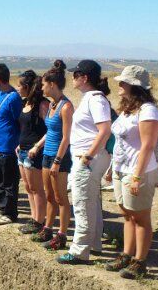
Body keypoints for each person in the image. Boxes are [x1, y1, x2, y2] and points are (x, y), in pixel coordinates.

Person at [103, 66, 158, 279]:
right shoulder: (128, 109)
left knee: (141, 217)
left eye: (123, 82)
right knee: (127, 215)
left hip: (138, 171)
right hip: (121, 169)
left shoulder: (148, 111)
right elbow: (120, 143)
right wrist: (112, 169)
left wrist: (137, 176)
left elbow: (147, 146)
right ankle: (127, 254)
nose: (119, 85)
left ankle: (140, 261)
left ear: (134, 86)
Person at [57, 60, 112, 264]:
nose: (72, 78)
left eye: (75, 75)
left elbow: (104, 130)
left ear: (84, 77)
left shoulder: (95, 99)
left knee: (82, 204)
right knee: (92, 202)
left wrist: (87, 156)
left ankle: (80, 250)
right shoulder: (91, 98)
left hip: (88, 158)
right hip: (90, 157)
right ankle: (94, 243)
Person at [37, 60, 73, 247]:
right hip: (47, 155)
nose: (41, 88)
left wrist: (57, 161)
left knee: (61, 198)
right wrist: (37, 146)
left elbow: (66, 137)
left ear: (52, 84)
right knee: (49, 194)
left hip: (59, 157)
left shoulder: (66, 107)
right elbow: (50, 132)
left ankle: (62, 235)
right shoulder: (51, 105)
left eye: (43, 84)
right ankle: (48, 228)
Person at [0, 64, 23, 225]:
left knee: (9, 182)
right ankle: (2, 209)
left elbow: (20, 122)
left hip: (8, 146)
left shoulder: (14, 98)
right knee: (0, 180)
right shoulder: (1, 95)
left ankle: (10, 213)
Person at [15, 70, 48, 234]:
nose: (17, 88)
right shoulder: (25, 103)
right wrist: (20, 145)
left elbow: (52, 130)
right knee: (28, 187)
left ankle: (40, 221)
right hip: (22, 151)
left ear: (27, 87)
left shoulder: (42, 105)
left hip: (35, 152)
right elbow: (25, 128)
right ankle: (34, 218)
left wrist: (37, 146)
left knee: (37, 188)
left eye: (19, 85)